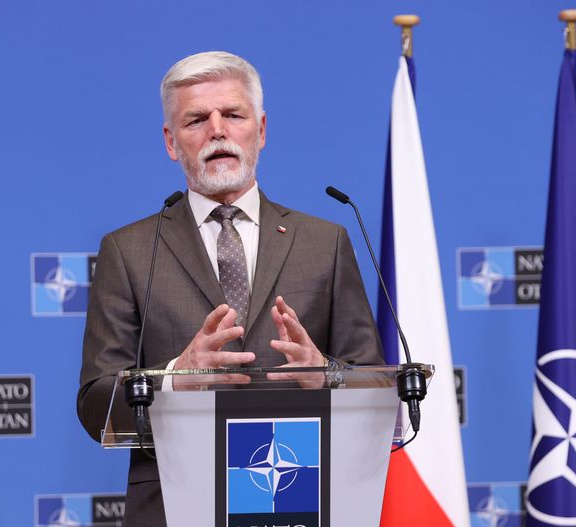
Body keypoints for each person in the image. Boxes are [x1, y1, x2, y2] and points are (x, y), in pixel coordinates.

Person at [77, 51, 383, 527]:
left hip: (304, 498)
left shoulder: (327, 243)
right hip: (176, 505)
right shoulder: (130, 250)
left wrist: (326, 373)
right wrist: (176, 376)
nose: (217, 130)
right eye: (196, 119)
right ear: (171, 142)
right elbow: (96, 404)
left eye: (233, 115)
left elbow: (376, 383)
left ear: (260, 131)